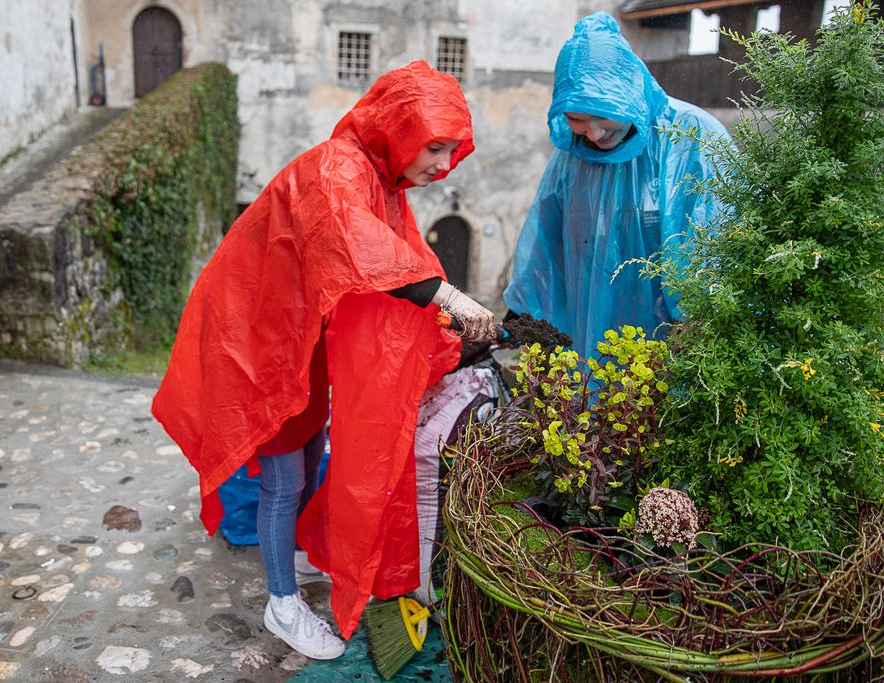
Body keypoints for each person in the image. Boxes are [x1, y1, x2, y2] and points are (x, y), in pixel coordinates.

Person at [151, 60, 495, 661]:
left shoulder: (379, 179)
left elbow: (401, 261)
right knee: (283, 481)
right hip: (258, 343)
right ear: (399, 131)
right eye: (434, 148)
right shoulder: (337, 169)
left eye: (449, 150)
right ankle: (281, 603)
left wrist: (444, 321)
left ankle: (293, 559)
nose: (443, 165)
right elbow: (367, 252)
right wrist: (453, 300)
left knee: (310, 457)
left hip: (299, 339)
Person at [504, 12, 730, 356]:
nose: (594, 134)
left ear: (628, 94)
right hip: (589, 350)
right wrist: (520, 319)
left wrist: (698, 329)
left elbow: (719, 246)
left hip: (676, 351)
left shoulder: (692, 138)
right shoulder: (571, 156)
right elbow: (544, 250)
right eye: (577, 119)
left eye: (603, 114)